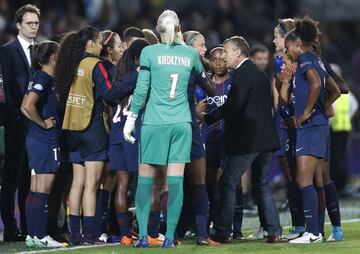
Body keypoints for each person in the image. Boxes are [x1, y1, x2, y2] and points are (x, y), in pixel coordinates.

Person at [123, 10, 205, 248]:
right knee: (175, 181)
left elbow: (141, 90)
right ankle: (169, 237)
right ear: (179, 29)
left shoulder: (149, 52)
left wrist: (130, 120)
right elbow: (201, 76)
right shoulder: (190, 54)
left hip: (154, 123)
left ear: (158, 30)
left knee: (146, 181)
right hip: (181, 123)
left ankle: (143, 238)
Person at [55, 26, 134, 245]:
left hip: (72, 129)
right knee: (92, 184)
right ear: (90, 43)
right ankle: (90, 234)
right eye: (99, 42)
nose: (102, 46)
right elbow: (110, 94)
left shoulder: (70, 64)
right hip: (92, 129)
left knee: (77, 183)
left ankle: (74, 234)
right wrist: (133, 79)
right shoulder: (95, 65)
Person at [205, 36, 282, 244]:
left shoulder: (242, 74)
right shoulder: (258, 74)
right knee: (261, 184)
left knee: (227, 182)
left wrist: (209, 116)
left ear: (237, 53)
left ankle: (221, 232)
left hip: (249, 140)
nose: (224, 56)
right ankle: (274, 230)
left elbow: (234, 106)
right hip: (266, 139)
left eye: (227, 52)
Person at [281, 17, 340, 244]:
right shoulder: (316, 59)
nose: (288, 54)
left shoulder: (305, 59)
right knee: (309, 179)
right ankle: (313, 231)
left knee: (304, 179)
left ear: (297, 44)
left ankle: (313, 232)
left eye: (288, 49)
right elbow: (335, 90)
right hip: (317, 126)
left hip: (310, 127)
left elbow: (316, 84)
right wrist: (320, 109)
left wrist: (307, 112)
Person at [0, 4, 40, 241]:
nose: (33, 27)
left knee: (29, 177)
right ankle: (11, 228)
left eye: (36, 23)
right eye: (29, 23)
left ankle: (27, 227)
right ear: (18, 25)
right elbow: (4, 87)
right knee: (11, 178)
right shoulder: (6, 51)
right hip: (16, 123)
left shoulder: (41, 50)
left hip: (35, 124)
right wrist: (15, 116)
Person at [20, 40, 65, 248]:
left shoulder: (38, 77)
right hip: (44, 139)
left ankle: (33, 235)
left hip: (36, 138)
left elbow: (23, 106)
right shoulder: (45, 77)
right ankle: (40, 236)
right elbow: (28, 106)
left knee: (36, 188)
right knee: (43, 188)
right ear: (54, 57)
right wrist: (44, 124)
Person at [178, 30, 219, 246]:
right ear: (189, 46)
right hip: (189, 126)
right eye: (201, 45)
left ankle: (169, 235)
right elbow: (211, 89)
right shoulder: (193, 63)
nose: (204, 49)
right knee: (199, 182)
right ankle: (203, 235)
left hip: (166, 126)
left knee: (170, 183)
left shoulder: (164, 63)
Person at [109, 39, 150, 245]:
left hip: (115, 133)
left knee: (122, 185)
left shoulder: (117, 74)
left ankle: (125, 234)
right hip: (133, 133)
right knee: (145, 184)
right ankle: (146, 232)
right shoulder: (144, 75)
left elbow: (110, 96)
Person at [94, 29, 124, 243]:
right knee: (107, 180)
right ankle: (99, 228)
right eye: (119, 45)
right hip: (105, 130)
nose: (122, 49)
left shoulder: (96, 67)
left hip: (99, 128)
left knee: (103, 181)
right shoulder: (108, 69)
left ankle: (99, 227)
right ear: (109, 49)